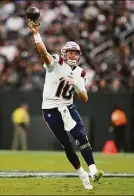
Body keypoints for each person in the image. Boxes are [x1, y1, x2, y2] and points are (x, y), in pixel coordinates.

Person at [27, 19, 104, 190]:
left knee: (81, 136)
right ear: (63, 53)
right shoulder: (56, 63)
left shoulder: (80, 72)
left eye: (75, 53)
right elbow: (43, 52)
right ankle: (82, 174)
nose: (72, 55)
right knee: (67, 144)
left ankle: (93, 170)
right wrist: (36, 33)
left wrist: (76, 83)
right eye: (69, 52)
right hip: (50, 110)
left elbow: (84, 98)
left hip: (68, 107)